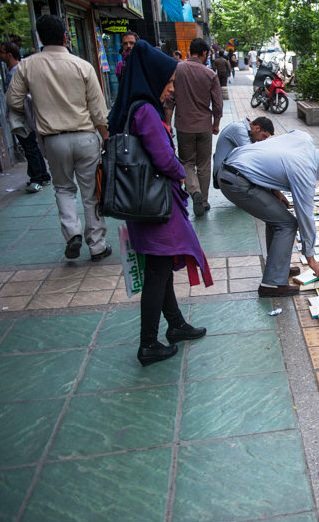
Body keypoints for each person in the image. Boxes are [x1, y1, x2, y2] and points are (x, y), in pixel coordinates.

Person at [107, 40, 211, 367]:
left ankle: (176, 325)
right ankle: (149, 343)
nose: (169, 88)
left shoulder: (130, 106)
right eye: (167, 81)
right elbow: (164, 158)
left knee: (161, 267)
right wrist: (181, 172)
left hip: (143, 202)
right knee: (158, 270)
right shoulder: (145, 110)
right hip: (155, 204)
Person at [6, 15, 112, 262]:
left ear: (40, 37)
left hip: (53, 139)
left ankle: (72, 233)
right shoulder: (82, 66)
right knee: (91, 193)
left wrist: (32, 113)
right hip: (85, 136)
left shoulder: (27, 66)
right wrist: (106, 137)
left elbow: (12, 100)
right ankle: (97, 245)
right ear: (66, 36)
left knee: (63, 188)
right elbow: (98, 110)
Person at [216, 130, 319, 297]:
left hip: (235, 168)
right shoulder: (306, 171)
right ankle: (272, 284)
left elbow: (273, 159)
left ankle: (278, 268)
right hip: (236, 181)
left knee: (278, 217)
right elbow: (305, 216)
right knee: (287, 223)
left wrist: (275, 192)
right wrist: (311, 258)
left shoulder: (303, 137)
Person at [164, 37, 222, 217]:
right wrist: (216, 123)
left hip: (183, 125)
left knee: (187, 162)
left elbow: (169, 100)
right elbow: (217, 104)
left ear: (190, 51)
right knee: (204, 164)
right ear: (204, 53)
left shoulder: (177, 69)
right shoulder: (210, 74)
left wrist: (167, 123)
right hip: (204, 125)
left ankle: (194, 191)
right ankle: (203, 201)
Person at [0, 41, 51, 193]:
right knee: (31, 146)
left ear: (9, 54)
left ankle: (38, 177)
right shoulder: (18, 70)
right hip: (26, 115)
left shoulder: (17, 71)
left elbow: (18, 98)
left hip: (24, 117)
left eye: (2, 52)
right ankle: (41, 175)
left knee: (30, 147)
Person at [212, 116, 274, 187]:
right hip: (222, 172)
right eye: (264, 136)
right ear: (257, 128)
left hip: (227, 169)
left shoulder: (246, 129)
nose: (263, 140)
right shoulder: (239, 128)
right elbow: (251, 155)